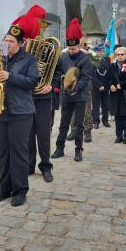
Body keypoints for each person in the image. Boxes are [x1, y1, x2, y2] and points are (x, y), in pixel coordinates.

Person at [0, 13, 40, 207]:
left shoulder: (28, 60)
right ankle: (5, 188)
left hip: (21, 112)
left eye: (11, 41)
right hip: (1, 111)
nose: (8, 44)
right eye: (6, 40)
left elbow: (32, 82)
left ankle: (20, 190)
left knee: (19, 152)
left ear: (21, 43)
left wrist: (10, 76)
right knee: (3, 152)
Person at [52, 19, 94, 162]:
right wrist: (58, 83)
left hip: (80, 96)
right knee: (63, 124)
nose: (71, 51)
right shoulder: (63, 58)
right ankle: (59, 148)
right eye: (69, 49)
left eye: (74, 49)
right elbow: (58, 72)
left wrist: (76, 88)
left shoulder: (85, 60)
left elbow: (86, 77)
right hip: (66, 96)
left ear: (79, 46)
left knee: (79, 124)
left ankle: (78, 150)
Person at [26, 5, 58, 183]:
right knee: (28, 133)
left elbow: (57, 70)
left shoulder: (49, 46)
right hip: (26, 95)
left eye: (40, 25)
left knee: (44, 133)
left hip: (43, 96)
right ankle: (29, 165)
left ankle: (45, 166)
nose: (38, 29)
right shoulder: (23, 47)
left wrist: (51, 85)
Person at [108, 46, 126, 144]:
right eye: (118, 55)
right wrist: (110, 85)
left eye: (122, 54)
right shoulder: (112, 66)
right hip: (116, 95)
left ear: (125, 55)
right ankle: (118, 136)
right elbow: (107, 79)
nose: (120, 56)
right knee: (117, 117)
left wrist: (122, 84)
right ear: (115, 56)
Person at [91, 43, 111, 129]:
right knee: (96, 105)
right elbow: (92, 75)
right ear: (97, 52)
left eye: (103, 50)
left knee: (105, 104)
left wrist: (106, 85)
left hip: (105, 86)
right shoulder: (93, 61)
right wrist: (99, 85)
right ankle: (96, 121)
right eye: (101, 51)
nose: (103, 52)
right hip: (96, 87)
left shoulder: (107, 60)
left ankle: (105, 121)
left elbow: (109, 73)